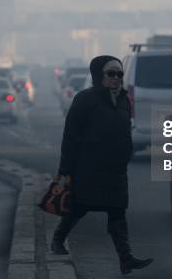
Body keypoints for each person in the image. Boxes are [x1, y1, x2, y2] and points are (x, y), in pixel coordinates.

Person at [51, 55, 153, 275]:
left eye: (119, 73)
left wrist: (126, 153)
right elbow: (70, 136)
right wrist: (65, 169)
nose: (116, 78)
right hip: (89, 166)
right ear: (99, 76)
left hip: (115, 169)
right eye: (111, 73)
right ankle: (57, 240)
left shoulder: (124, 99)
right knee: (79, 206)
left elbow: (125, 130)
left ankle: (126, 259)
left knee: (117, 212)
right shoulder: (85, 99)